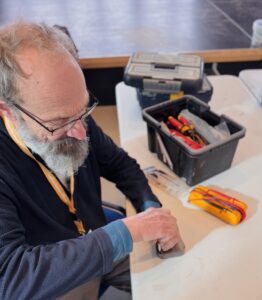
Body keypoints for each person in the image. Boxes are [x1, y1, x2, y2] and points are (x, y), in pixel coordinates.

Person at [0, 21, 183, 300]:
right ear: (9, 111)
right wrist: (122, 234)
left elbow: (122, 166)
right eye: (58, 122)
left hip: (95, 239)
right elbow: (13, 278)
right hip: (50, 278)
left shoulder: (70, 111)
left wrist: (149, 207)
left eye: (83, 109)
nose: (80, 131)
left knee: (187, 276)